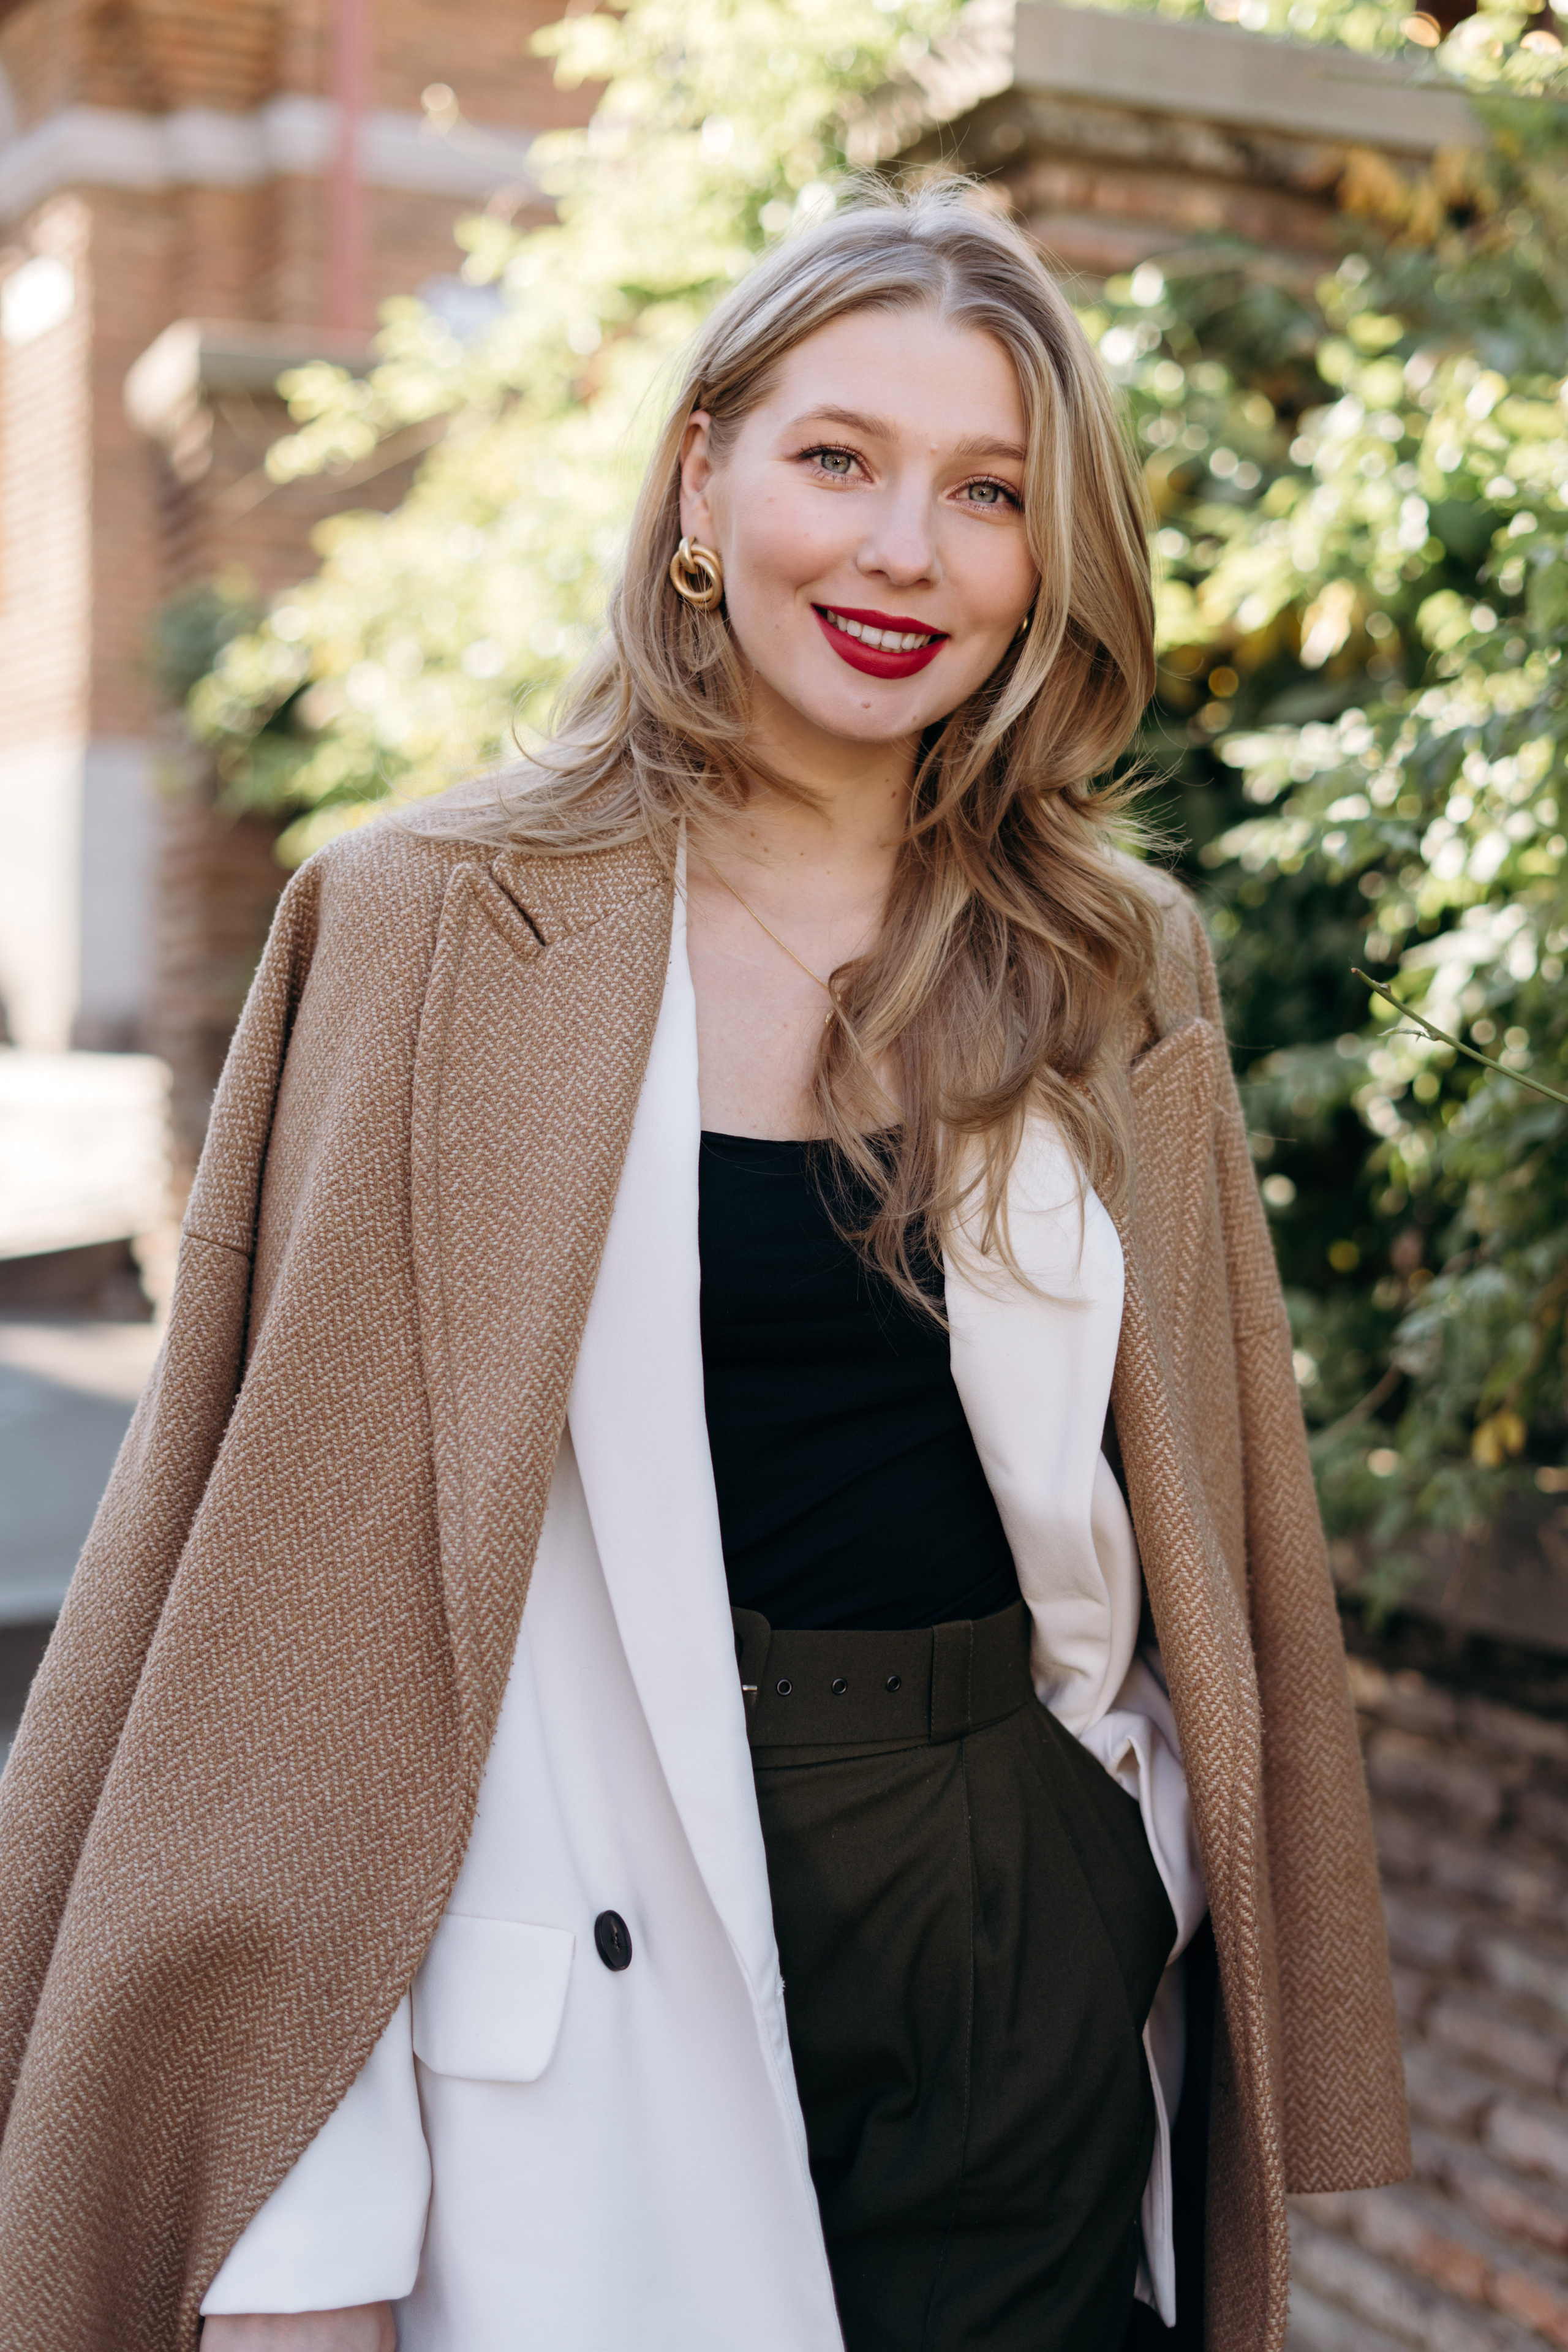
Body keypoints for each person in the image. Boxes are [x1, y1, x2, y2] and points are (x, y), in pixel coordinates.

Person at [0, 183, 1408, 2352]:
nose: (902, 553)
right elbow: (293, 1642)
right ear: (702, 475)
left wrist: (1114, 1876)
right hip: (566, 1963)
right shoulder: (428, 925)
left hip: (1005, 1949)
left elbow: (1207, 1534)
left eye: (989, 493)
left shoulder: (1118, 967)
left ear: (1051, 559)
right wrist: (298, 2240)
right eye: (836, 458)